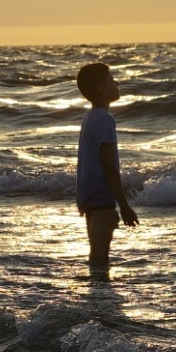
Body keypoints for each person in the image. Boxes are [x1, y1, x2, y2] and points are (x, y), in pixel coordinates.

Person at [75, 62, 137, 273]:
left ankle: (98, 296)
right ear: (102, 89)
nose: (116, 82)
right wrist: (124, 206)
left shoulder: (90, 116)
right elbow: (109, 165)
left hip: (89, 194)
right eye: (111, 80)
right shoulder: (104, 119)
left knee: (96, 252)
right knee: (100, 256)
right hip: (101, 195)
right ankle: (100, 298)